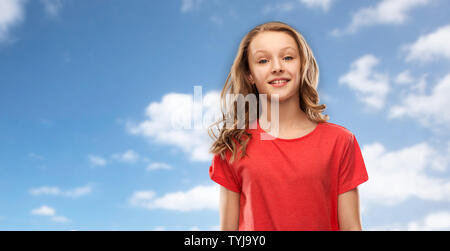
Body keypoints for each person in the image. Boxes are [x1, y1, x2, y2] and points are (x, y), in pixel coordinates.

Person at [208, 21, 369, 231]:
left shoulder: (340, 141)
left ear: (302, 65)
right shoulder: (234, 145)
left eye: (288, 57)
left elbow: (351, 228)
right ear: (250, 75)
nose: (277, 67)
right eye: (263, 60)